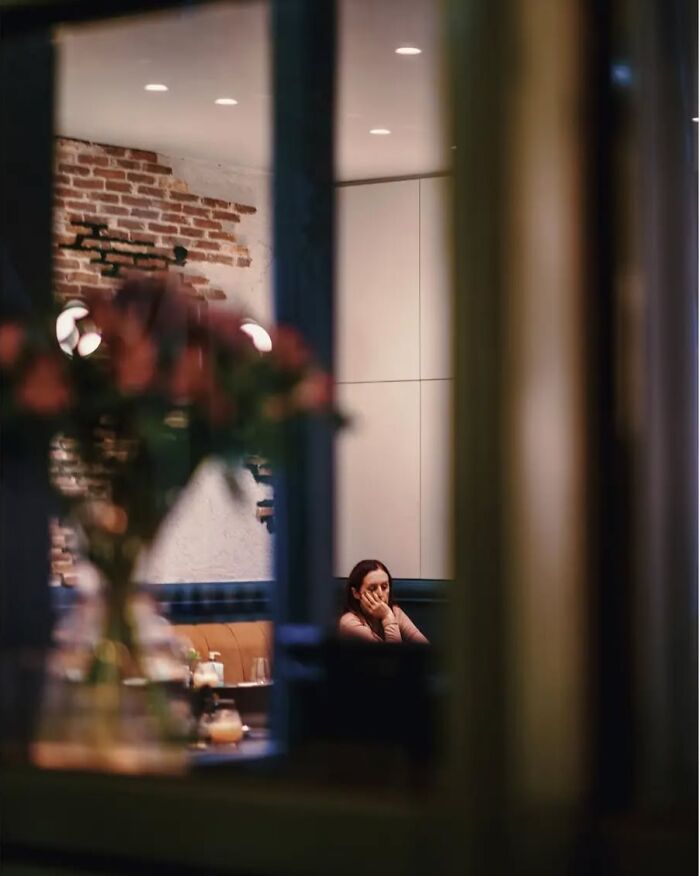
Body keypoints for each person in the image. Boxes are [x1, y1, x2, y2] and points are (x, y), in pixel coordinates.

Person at [338, 559, 429, 643]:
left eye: (384, 587)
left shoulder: (394, 611)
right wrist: (387, 617)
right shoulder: (349, 623)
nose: (380, 594)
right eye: (372, 588)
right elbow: (391, 657)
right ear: (356, 593)